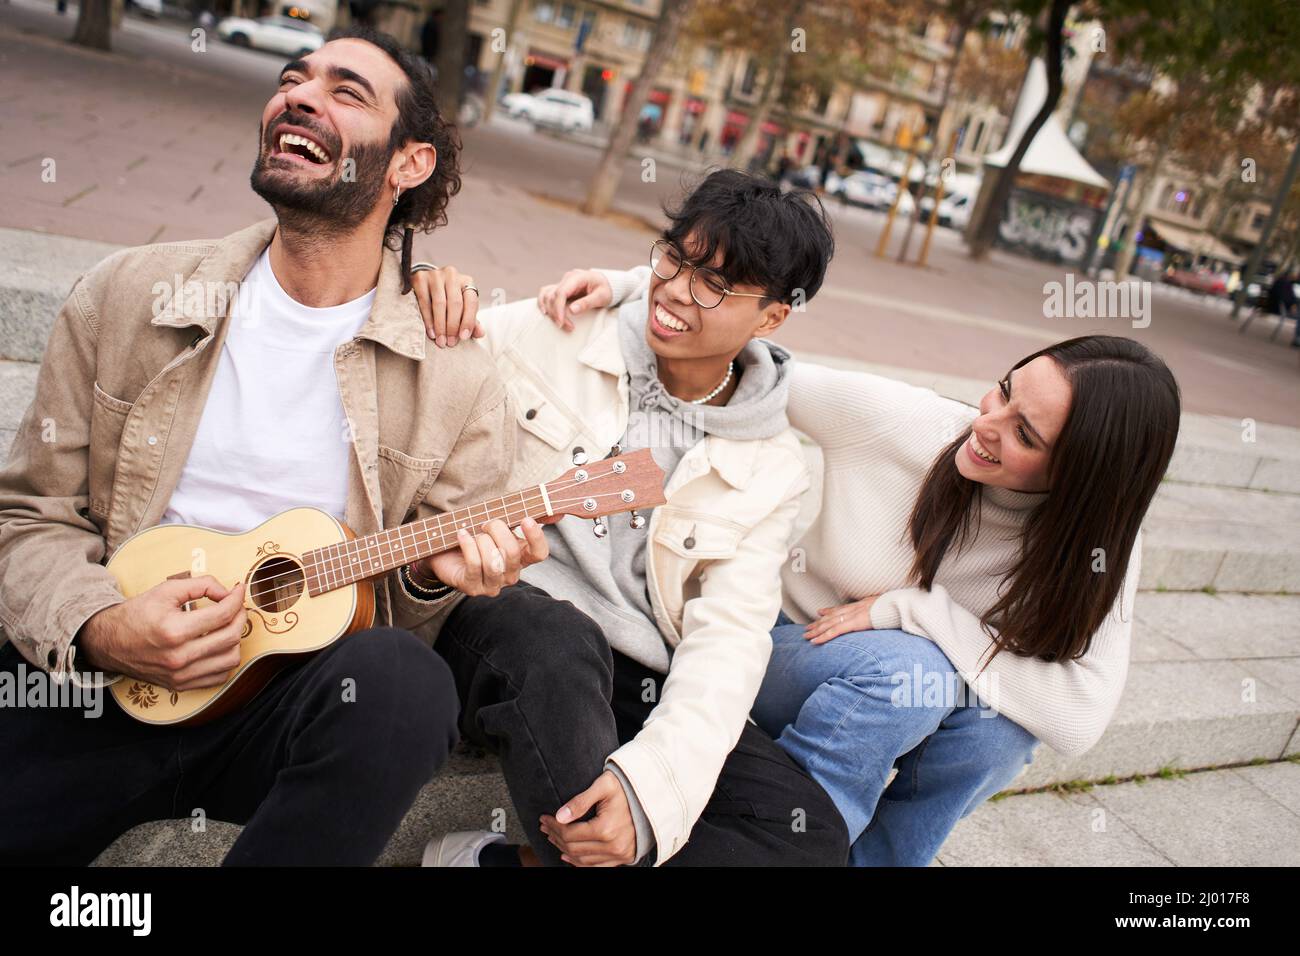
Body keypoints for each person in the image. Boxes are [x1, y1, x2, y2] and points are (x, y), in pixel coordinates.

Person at [0, 27, 547, 866]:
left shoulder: (457, 377)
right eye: (294, 79)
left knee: (404, 682)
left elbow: (398, 618)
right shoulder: (127, 295)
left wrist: (435, 577)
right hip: (101, 681)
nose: (299, 95)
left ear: (410, 164)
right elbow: (26, 515)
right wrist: (105, 627)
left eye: (345, 92)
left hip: (279, 707)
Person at [528, 267, 1181, 866]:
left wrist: (917, 612)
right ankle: (784, 839)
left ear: (1082, 480)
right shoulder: (911, 425)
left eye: (1025, 435)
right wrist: (629, 285)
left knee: (995, 732)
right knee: (914, 673)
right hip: (780, 649)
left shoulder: (1101, 551)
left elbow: (1078, 718)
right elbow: (756, 361)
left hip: (881, 690)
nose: (988, 422)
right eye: (1005, 392)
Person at [413, 170, 849, 867]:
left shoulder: (771, 464)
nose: (675, 289)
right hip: (505, 618)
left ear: (771, 318)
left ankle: (496, 864)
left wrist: (650, 792)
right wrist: (424, 277)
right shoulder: (559, 324)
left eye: (713, 283)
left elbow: (730, 640)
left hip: (633, 670)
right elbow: (416, 348)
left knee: (811, 833)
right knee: (558, 644)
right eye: (674, 256)